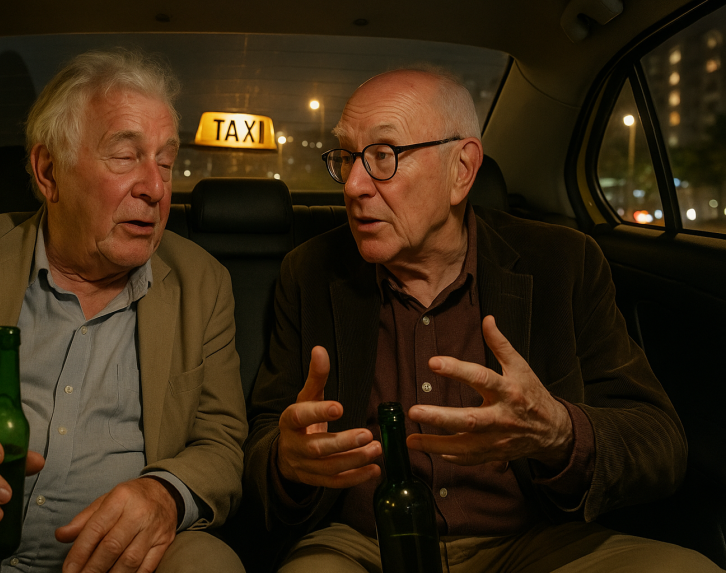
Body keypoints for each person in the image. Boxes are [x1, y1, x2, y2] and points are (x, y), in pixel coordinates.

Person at [241, 68, 722, 572]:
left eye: (383, 156)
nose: (355, 185)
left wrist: (559, 431)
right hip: (363, 543)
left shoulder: (562, 262)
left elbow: (660, 443)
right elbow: (263, 440)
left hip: (535, 540)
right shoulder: (309, 272)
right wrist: (285, 461)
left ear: (462, 169)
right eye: (346, 157)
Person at [0, 49, 247, 573]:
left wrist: (165, 495)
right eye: (125, 156)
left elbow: (221, 443)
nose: (156, 188)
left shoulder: (204, 284)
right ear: (48, 172)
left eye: (165, 162)